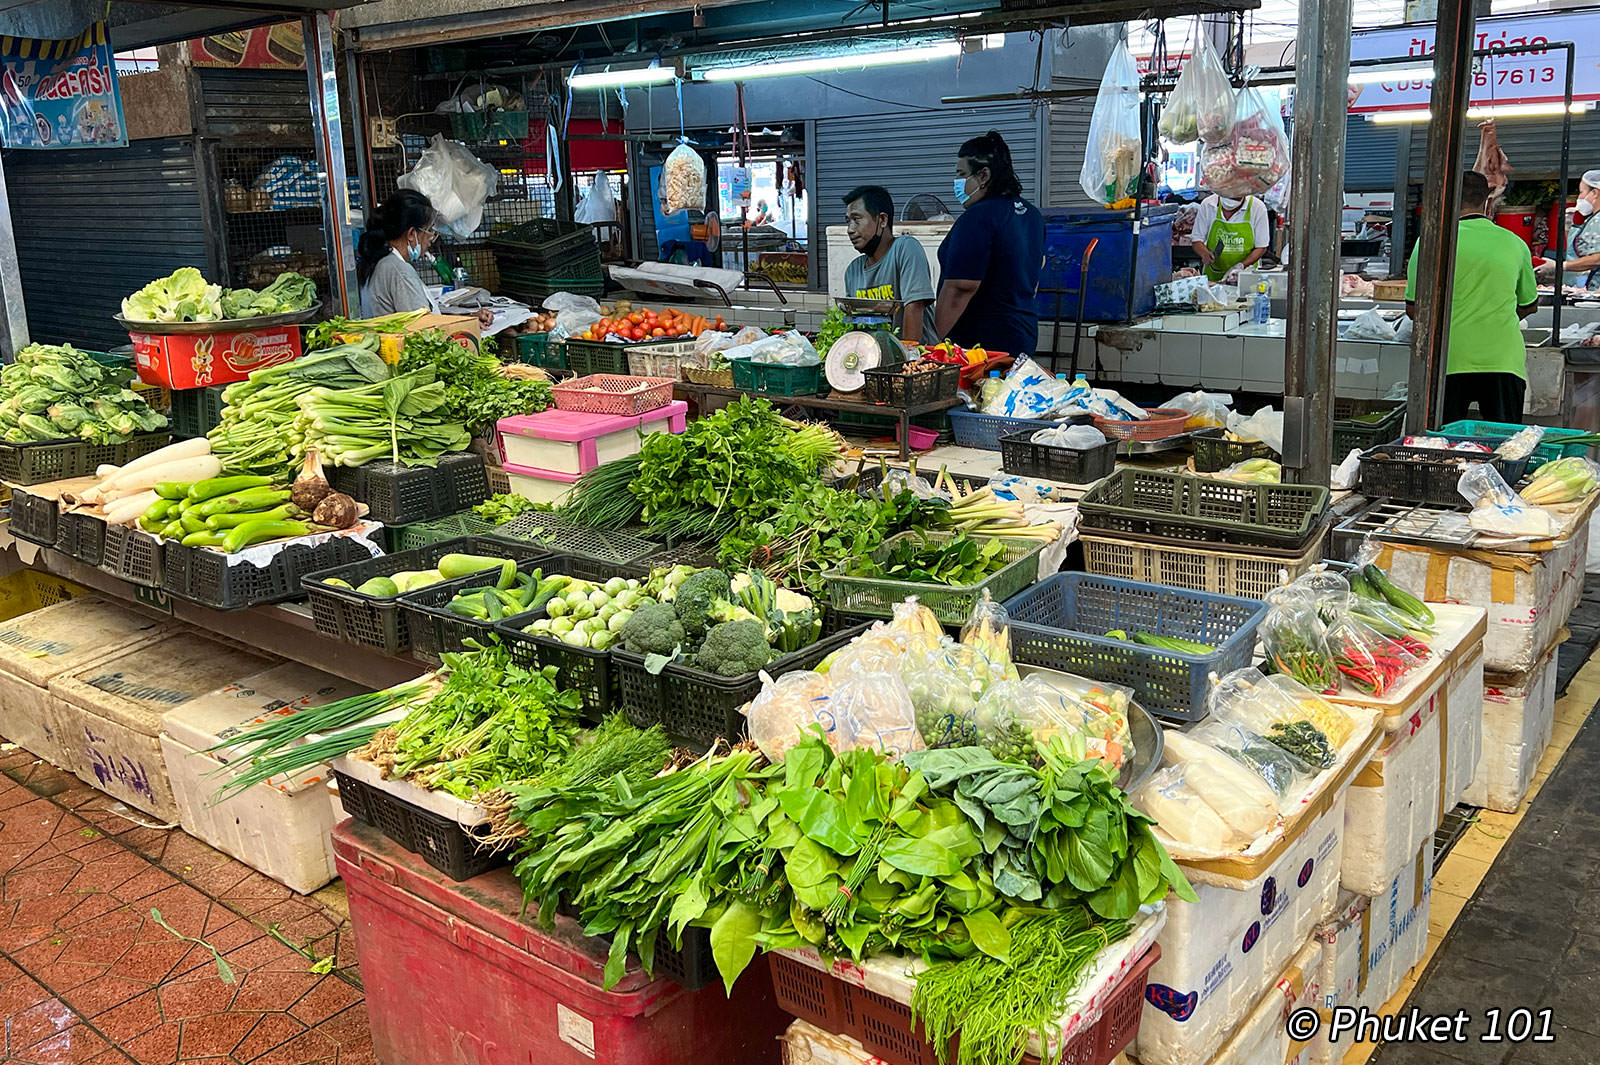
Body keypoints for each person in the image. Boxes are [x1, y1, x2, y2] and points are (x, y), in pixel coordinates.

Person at [1405, 170, 1538, 424]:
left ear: (1448, 200)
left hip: (1449, 359)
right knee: (1505, 446)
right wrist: (1496, 314)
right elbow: (1529, 305)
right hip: (1502, 360)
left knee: (1441, 448)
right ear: (1487, 199)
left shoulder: (1430, 242)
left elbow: (1414, 309)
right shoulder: (1515, 243)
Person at [934, 130, 1045, 357]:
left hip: (981, 346)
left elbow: (960, 287)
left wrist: (938, 344)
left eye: (962, 174)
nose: (958, 183)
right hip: (1023, 336)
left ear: (983, 176)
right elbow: (1034, 279)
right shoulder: (1032, 216)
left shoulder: (978, 217)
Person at [357, 189, 493, 326]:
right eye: (429, 230)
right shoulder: (399, 271)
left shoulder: (381, 262)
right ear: (411, 234)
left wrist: (468, 318)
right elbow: (425, 327)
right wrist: (468, 325)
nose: (432, 237)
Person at [841, 185, 936, 345]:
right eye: (848, 221)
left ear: (882, 220)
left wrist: (907, 362)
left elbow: (914, 307)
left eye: (857, 220)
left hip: (919, 360)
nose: (850, 229)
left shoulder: (905, 248)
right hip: (877, 359)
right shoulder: (853, 271)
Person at [1535, 169, 1600, 290]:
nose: (1579, 198)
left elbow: (1597, 258)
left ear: (1595, 193)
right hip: (1581, 288)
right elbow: (1577, 251)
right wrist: (1568, 227)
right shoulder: (1592, 219)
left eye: (1581, 192)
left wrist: (1559, 266)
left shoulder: (1598, 220)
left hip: (1594, 289)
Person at [1190, 191, 1270, 283]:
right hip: (1213, 276)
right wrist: (1204, 253)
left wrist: (1240, 266)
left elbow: (1261, 247)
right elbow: (1197, 240)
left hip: (1246, 275)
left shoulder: (1257, 207)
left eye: (1236, 197)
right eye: (1227, 195)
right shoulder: (1208, 205)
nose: (1231, 199)